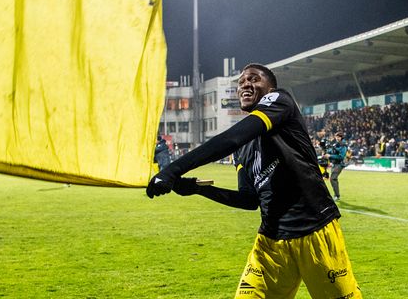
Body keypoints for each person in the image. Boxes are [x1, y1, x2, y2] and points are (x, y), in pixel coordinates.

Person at [146, 64, 361, 298]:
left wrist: (172, 169)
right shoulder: (244, 149)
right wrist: (198, 189)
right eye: (241, 82)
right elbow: (248, 200)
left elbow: (231, 137)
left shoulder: (280, 100)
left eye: (253, 79)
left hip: (315, 230)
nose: (245, 85)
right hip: (270, 243)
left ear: (270, 87)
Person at [326, 132, 348, 201]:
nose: (337, 138)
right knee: (333, 179)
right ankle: (336, 195)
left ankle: (337, 196)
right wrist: (327, 152)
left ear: (341, 137)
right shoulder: (336, 143)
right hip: (335, 164)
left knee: (333, 178)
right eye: (336, 137)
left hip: (339, 164)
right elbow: (332, 150)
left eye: (338, 137)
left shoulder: (343, 145)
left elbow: (341, 156)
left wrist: (330, 156)